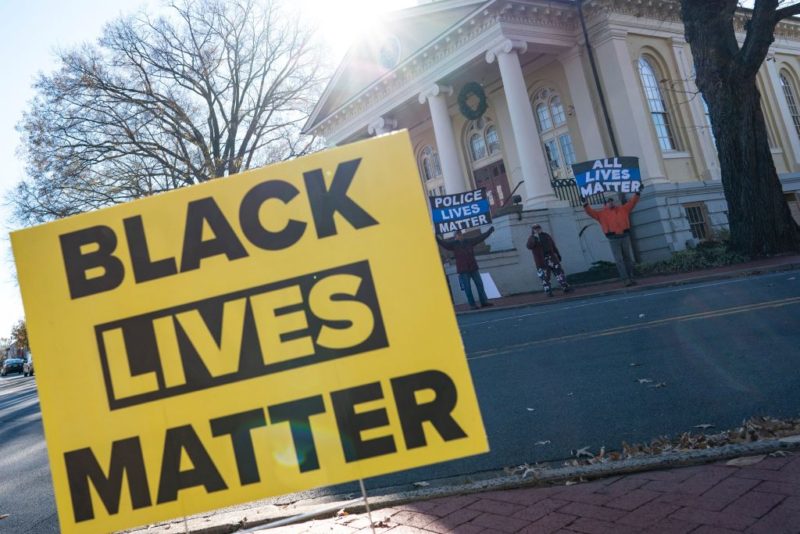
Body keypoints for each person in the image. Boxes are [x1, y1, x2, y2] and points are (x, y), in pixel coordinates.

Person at [583, 186, 643, 286]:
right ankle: (625, 279)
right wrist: (585, 203)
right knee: (619, 260)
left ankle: (631, 277)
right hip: (613, 238)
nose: (611, 203)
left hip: (624, 236)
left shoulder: (623, 209)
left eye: (612, 201)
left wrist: (637, 193)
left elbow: (632, 202)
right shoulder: (601, 214)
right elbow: (590, 212)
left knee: (628, 258)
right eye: (609, 201)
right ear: (605, 204)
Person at [436, 227, 495, 310]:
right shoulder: (453, 244)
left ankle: (484, 302)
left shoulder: (469, 241)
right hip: (463, 270)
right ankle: (472, 305)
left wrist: (489, 231)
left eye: (460, 234)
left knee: (480, 285)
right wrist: (436, 237)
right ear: (455, 236)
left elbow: (480, 238)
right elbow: (444, 244)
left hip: (473, 267)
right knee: (468, 288)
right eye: (458, 234)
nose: (459, 235)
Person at [526, 224, 572, 297]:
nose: (538, 230)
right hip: (541, 260)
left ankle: (565, 287)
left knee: (559, 272)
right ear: (533, 230)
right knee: (544, 276)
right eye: (536, 229)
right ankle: (548, 291)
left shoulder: (546, 235)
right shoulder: (531, 238)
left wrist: (557, 254)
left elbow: (553, 246)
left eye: (539, 228)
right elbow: (529, 246)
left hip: (551, 257)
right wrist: (534, 239)